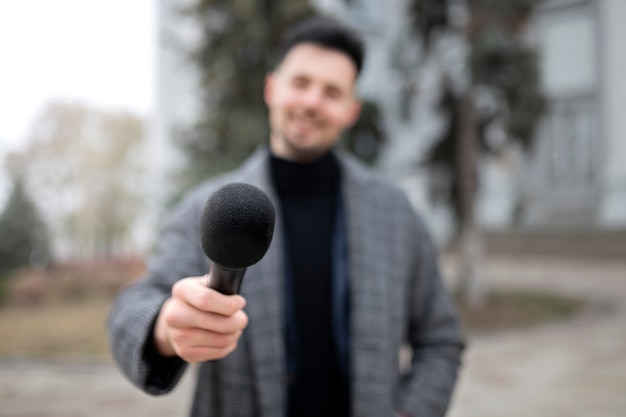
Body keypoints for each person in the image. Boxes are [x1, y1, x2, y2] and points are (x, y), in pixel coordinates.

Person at [107, 16, 465, 417]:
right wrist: (164, 328)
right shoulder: (210, 207)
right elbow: (130, 309)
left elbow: (441, 340)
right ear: (271, 88)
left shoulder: (395, 212)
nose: (312, 102)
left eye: (332, 91)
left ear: (351, 109)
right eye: (301, 83)